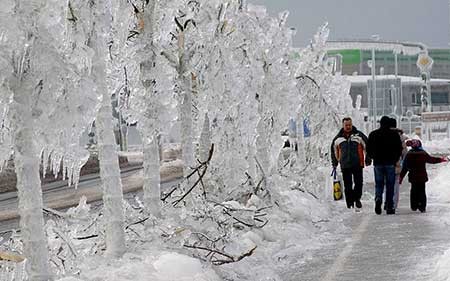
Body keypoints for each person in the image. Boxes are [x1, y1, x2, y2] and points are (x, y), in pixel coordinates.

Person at [331, 117, 371, 210]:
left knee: (358, 184)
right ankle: (349, 203)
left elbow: (367, 146)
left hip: (358, 163)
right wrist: (335, 162)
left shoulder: (359, 135)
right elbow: (333, 151)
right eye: (346, 125)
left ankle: (357, 199)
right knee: (347, 185)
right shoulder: (338, 138)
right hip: (345, 165)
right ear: (343, 125)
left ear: (352, 124)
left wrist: (368, 158)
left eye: (349, 125)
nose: (348, 127)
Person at [399, 139, 448, 213]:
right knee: (422, 191)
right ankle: (422, 207)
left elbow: (405, 167)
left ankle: (414, 206)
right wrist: (441, 160)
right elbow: (432, 160)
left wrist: (401, 177)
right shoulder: (423, 153)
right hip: (422, 176)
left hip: (413, 176)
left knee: (414, 190)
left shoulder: (409, 154)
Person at [367, 116, 403, 215]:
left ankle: (378, 198)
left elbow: (368, 149)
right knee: (390, 185)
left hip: (378, 163)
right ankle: (389, 206)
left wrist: (373, 157)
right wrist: (395, 159)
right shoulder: (394, 135)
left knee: (379, 184)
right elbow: (399, 149)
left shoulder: (373, 134)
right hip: (390, 163)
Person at [387, 117, 408, 210]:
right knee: (395, 185)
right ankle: (393, 205)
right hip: (397, 164)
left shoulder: (384, 134)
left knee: (386, 184)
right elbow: (405, 152)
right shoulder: (400, 136)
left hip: (385, 163)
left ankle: (386, 202)